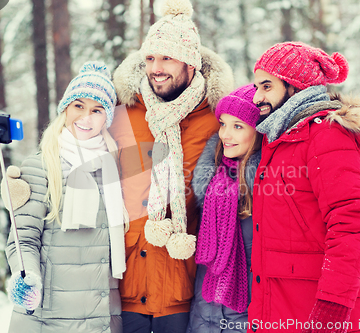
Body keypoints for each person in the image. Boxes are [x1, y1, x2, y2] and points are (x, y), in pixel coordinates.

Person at [108, 0, 234, 331]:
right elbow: (74, 145)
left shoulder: (217, 119)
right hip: (127, 282)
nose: (156, 68)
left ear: (191, 64)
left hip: (183, 279)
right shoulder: (124, 111)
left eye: (167, 58)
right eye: (150, 58)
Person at [248, 42, 360, 333]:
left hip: (324, 314)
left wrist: (332, 307)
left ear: (295, 87)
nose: (257, 96)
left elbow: (350, 223)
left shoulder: (328, 136)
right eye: (256, 86)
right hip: (283, 308)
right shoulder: (281, 138)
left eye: (267, 86)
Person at [5, 61, 127, 333]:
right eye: (78, 106)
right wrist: (28, 278)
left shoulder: (114, 169)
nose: (86, 117)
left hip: (101, 316)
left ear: (106, 118)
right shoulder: (40, 166)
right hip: (49, 316)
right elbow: (22, 238)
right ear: (65, 109)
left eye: (97, 110)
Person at [186, 84, 262, 333]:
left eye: (238, 126)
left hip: (248, 320)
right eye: (223, 123)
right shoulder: (210, 184)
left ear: (258, 132)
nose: (225, 134)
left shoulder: (268, 189)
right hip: (203, 317)